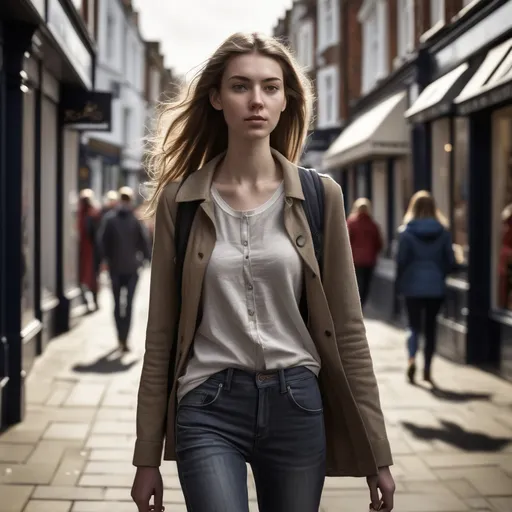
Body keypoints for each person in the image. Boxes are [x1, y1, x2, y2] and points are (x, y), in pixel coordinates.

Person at [131, 33, 395, 512]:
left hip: (297, 403)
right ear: (216, 97)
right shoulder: (180, 202)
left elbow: (350, 330)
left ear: (285, 100)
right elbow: (161, 334)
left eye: (271, 87)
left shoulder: (322, 196)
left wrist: (377, 453)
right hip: (207, 405)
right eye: (240, 86)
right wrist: (146, 456)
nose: (257, 100)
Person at [396, 190, 455, 385]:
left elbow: (401, 261)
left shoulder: (405, 233)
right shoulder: (444, 233)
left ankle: (412, 358)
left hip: (412, 285)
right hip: (435, 286)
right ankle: (428, 368)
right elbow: (450, 261)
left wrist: (399, 284)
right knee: (430, 328)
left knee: (413, 325)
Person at [98, 186, 151, 352]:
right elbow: (144, 243)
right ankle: (122, 338)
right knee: (124, 304)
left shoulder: (116, 219)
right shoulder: (121, 220)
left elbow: (103, 243)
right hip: (123, 268)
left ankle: (123, 337)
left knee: (124, 304)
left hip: (123, 268)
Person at [347, 198, 383, 307]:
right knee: (366, 284)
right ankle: (361, 305)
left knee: (355, 283)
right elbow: (379, 243)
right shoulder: (373, 225)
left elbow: (346, 241)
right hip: (369, 260)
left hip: (354, 260)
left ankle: (355, 305)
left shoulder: (351, 223)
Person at [78, 189, 101, 312]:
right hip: (85, 252)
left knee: (90, 278)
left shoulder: (92, 216)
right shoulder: (86, 215)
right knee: (88, 279)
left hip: (89, 252)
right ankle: (89, 302)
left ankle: (92, 302)